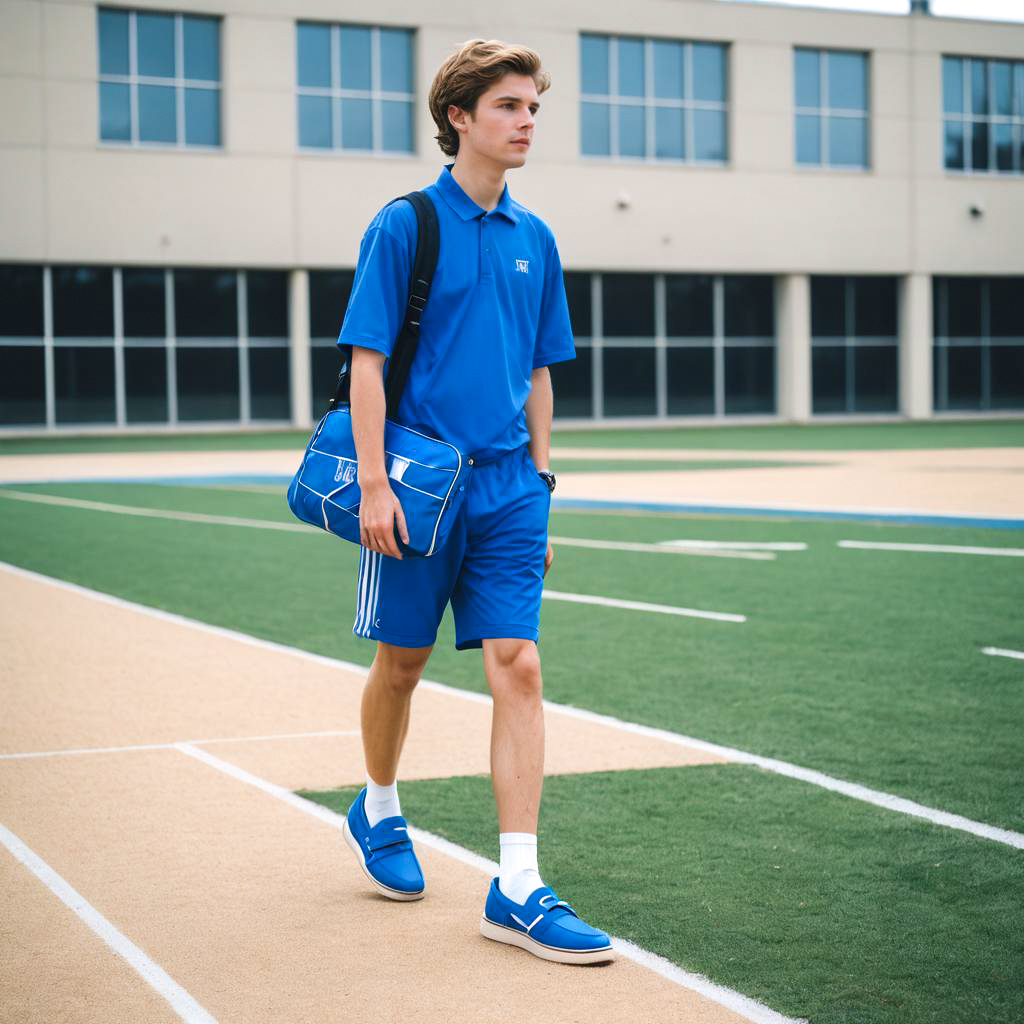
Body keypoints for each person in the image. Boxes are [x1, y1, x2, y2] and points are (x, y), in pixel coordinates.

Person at [336, 38, 614, 966]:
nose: (527, 121)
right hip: (418, 488)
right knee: (403, 665)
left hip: (508, 489)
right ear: (459, 116)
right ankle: (376, 804)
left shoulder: (536, 239)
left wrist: (542, 482)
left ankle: (519, 886)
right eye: (508, 106)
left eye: (533, 106)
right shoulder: (406, 224)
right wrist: (374, 482)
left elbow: (541, 370)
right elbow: (366, 363)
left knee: (519, 664)